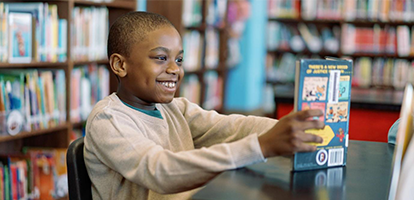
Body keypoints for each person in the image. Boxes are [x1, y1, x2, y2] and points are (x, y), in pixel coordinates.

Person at [83, 11, 324, 200]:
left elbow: (233, 127)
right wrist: (261, 146)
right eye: (160, 58)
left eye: (179, 59)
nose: (174, 69)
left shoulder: (175, 109)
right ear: (120, 65)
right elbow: (159, 170)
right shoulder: (109, 120)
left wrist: (291, 130)